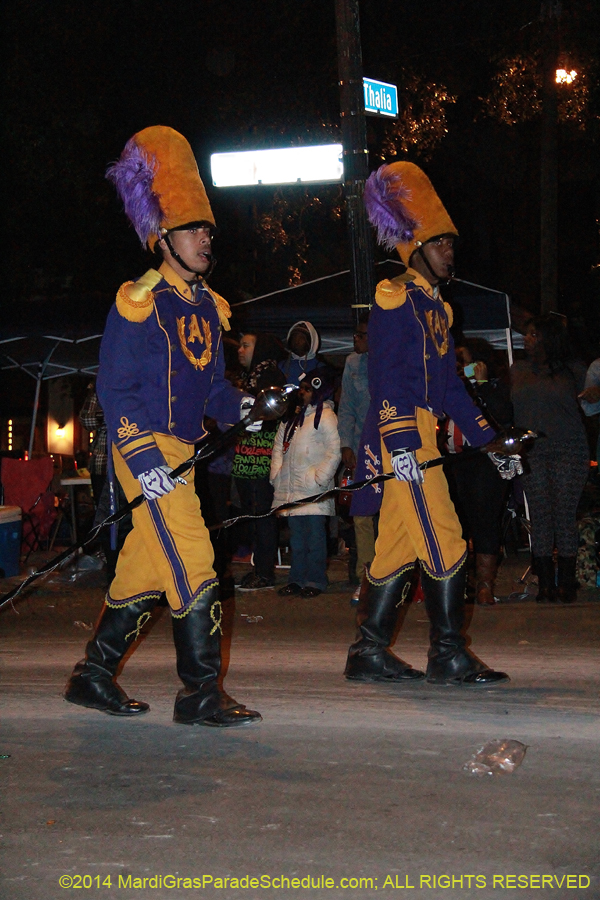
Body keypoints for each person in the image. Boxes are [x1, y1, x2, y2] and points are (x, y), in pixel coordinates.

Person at [64, 126, 262, 726]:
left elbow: (213, 392)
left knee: (147, 569)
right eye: (194, 230)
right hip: (144, 447)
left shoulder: (208, 306)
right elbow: (114, 390)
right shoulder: (139, 300)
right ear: (164, 237)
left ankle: (92, 675)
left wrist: (251, 408)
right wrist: (144, 463)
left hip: (184, 449)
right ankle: (198, 693)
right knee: (196, 558)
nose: (206, 239)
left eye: (208, 230)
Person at [346, 161, 514, 686]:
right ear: (414, 249)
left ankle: (367, 652)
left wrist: (490, 440)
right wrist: (399, 443)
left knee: (397, 546)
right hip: (404, 435)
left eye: (449, 244)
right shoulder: (394, 298)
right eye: (440, 243)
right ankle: (447, 652)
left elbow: (449, 389)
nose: (449, 252)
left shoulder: (438, 310)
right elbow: (386, 378)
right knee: (444, 536)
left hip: (424, 432)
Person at [511, 315, 589, 603]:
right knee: (541, 514)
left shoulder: (573, 370)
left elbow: (590, 402)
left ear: (548, 339)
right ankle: (545, 583)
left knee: (563, 513)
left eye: (533, 334)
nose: (526, 339)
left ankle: (566, 582)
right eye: (526, 334)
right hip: (532, 450)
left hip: (569, 447)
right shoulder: (518, 370)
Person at [441, 339, 514, 605]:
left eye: (466, 360)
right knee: (455, 521)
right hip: (455, 460)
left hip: (484, 461)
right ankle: (459, 584)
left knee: (484, 520)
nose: (462, 366)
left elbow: (500, 416)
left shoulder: (494, 387)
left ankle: (485, 585)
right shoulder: (453, 387)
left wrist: (481, 384)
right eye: (458, 361)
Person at [270, 367, 341, 598]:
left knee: (315, 538)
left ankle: (315, 579)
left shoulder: (327, 417)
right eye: (302, 388)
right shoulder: (295, 417)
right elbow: (278, 447)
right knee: (297, 539)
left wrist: (319, 479)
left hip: (312, 489)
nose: (303, 393)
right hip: (292, 489)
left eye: (308, 389)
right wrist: (277, 474)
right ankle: (297, 579)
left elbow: (334, 452)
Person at [233, 332, 286, 591]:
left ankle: (264, 572)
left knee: (261, 514)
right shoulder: (250, 378)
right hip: (246, 457)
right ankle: (258, 568)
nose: (240, 350)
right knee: (251, 514)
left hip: (262, 458)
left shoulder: (270, 378)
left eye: (246, 345)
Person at [337, 312, 376, 603]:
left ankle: (394, 574)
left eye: (362, 335)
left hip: (390, 448)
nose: (356, 340)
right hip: (363, 448)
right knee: (362, 514)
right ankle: (367, 578)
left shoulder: (393, 362)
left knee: (392, 513)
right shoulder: (352, 363)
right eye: (355, 335)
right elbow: (347, 408)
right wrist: (346, 445)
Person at [279, 320, 321, 384]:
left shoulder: (319, 368)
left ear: (312, 342)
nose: (297, 342)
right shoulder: (281, 366)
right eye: (294, 338)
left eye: (301, 339)